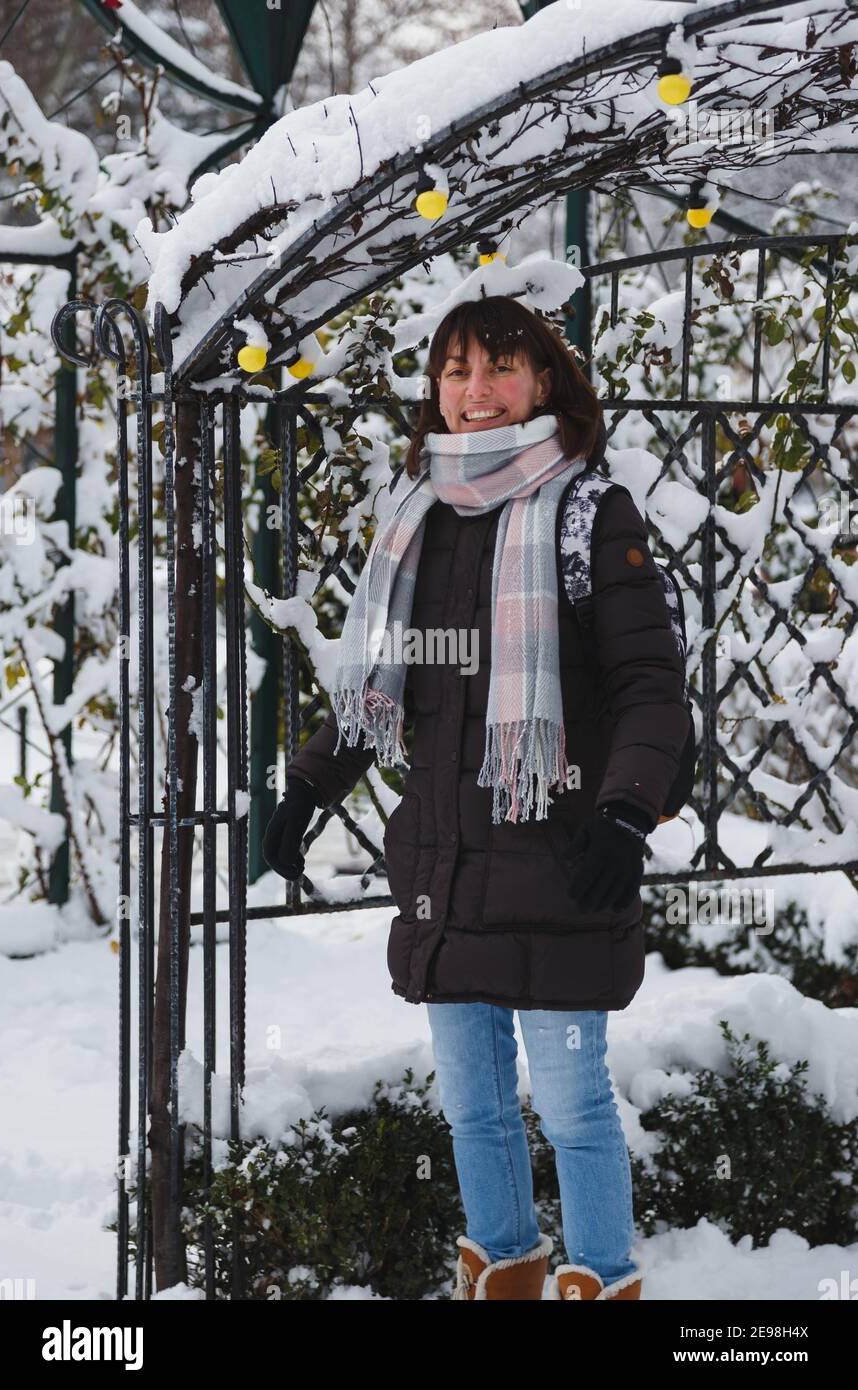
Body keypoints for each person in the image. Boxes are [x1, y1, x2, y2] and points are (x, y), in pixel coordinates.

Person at [263, 294, 690, 1301]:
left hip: (563, 860)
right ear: (435, 391)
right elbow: (389, 679)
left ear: (543, 383)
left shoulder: (590, 513)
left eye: (500, 367)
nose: (476, 391)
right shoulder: (421, 517)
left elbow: (645, 684)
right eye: (455, 371)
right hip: (445, 868)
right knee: (472, 1107)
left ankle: (600, 1279)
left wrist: (625, 811)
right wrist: (312, 783)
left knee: (576, 1106)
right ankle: (500, 1271)